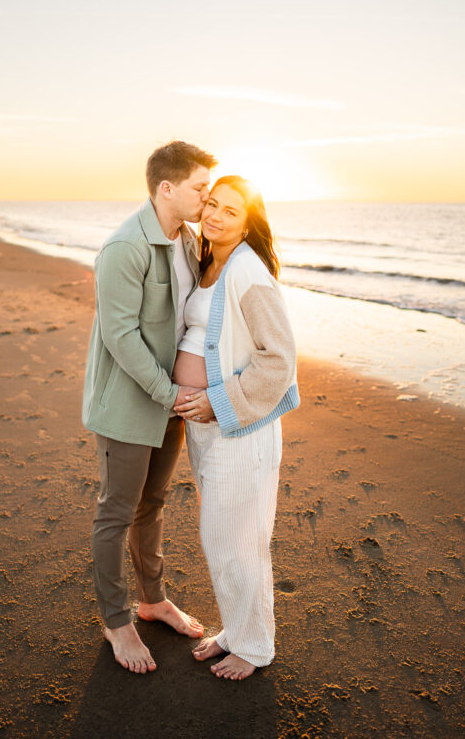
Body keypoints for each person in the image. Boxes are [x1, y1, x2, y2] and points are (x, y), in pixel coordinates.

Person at [82, 141, 217, 674]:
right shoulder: (124, 248)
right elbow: (120, 334)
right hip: (131, 404)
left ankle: (152, 600)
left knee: (152, 504)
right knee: (116, 512)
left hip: (170, 402)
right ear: (167, 188)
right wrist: (170, 395)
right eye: (199, 188)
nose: (207, 197)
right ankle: (117, 622)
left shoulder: (185, 240)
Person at [173, 175, 300, 680]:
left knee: (238, 538)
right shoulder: (210, 263)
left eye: (231, 210)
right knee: (221, 535)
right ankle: (236, 629)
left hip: (239, 429)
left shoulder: (248, 272)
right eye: (212, 205)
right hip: (207, 427)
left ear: (249, 222)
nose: (216, 216)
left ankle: (254, 647)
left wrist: (220, 403)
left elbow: (280, 360)